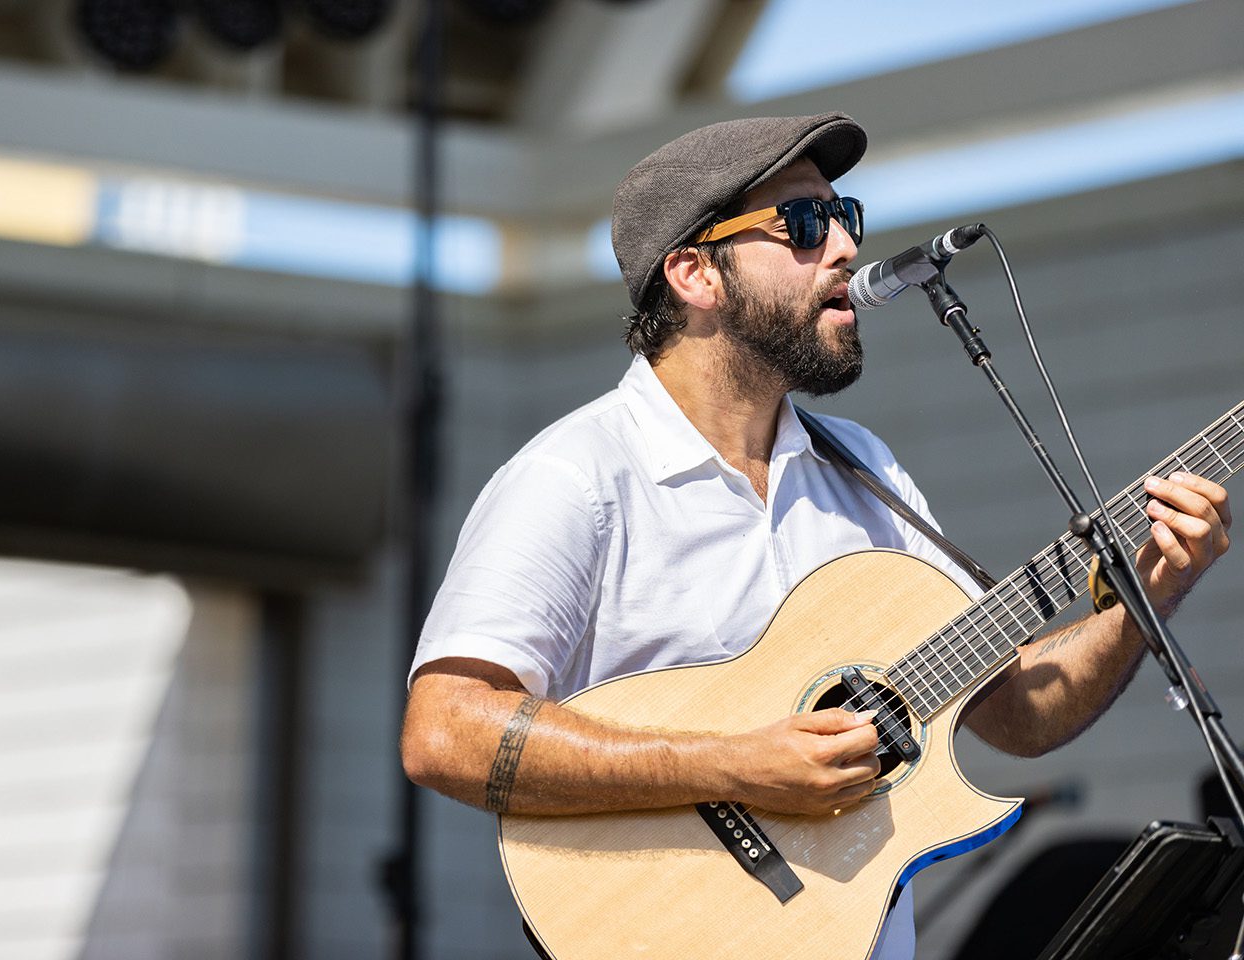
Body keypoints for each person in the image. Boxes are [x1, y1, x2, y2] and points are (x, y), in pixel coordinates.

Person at [398, 113, 1232, 958]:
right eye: (803, 223)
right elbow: (444, 730)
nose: (843, 248)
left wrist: (1147, 594)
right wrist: (729, 765)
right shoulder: (580, 476)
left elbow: (1016, 712)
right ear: (694, 273)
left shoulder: (864, 468)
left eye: (847, 217)